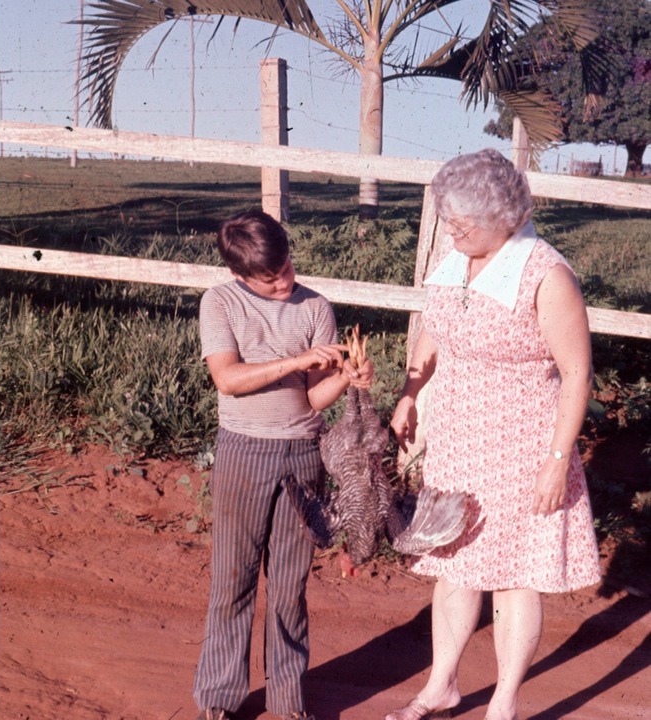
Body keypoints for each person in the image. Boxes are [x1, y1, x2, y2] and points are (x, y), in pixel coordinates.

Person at [387, 149, 601, 720]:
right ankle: (441, 686)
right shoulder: (458, 257)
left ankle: (503, 702)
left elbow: (577, 372)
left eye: (461, 224)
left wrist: (558, 461)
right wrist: (410, 392)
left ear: (504, 217)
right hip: (458, 440)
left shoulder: (545, 274)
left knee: (513, 575)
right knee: (454, 563)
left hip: (521, 448)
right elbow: (435, 328)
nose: (451, 232)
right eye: (447, 221)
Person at [193, 209, 373, 720]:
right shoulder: (219, 302)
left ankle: (288, 701)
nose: (284, 281)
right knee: (233, 581)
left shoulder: (315, 306)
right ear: (239, 274)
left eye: (287, 267)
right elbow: (227, 379)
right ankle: (219, 699)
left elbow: (315, 400)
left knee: (290, 586)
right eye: (270, 279)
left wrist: (348, 379)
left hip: (303, 453)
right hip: (243, 449)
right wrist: (296, 361)